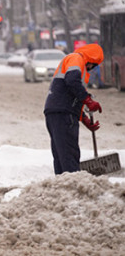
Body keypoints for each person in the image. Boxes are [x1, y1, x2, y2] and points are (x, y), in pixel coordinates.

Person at [43, 43, 104, 175]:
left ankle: (62, 186)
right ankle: (73, 186)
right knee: (69, 155)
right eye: (93, 65)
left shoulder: (73, 61)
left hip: (56, 111)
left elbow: (71, 97)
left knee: (61, 155)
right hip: (63, 113)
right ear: (91, 59)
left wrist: (84, 119)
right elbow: (72, 81)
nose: (90, 68)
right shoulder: (77, 58)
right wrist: (88, 100)